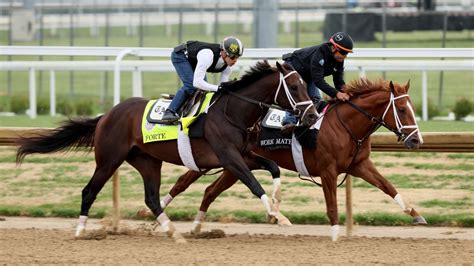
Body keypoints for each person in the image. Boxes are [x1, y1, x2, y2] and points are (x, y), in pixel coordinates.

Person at [159, 36, 244, 124]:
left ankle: (186, 100)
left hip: (194, 60)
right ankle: (169, 112)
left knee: (204, 91)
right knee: (191, 85)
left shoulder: (228, 66)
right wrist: (218, 88)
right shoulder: (208, 55)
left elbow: (222, 86)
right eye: (233, 57)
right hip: (180, 56)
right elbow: (197, 83)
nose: (235, 61)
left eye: (238, 57)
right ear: (224, 52)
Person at [281, 32, 353, 129]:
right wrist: (336, 94)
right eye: (344, 53)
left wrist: (346, 92)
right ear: (334, 48)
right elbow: (318, 81)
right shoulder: (320, 54)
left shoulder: (339, 60)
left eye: (347, 53)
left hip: (308, 73)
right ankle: (288, 123)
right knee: (298, 96)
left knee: (316, 101)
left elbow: (338, 81)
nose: (345, 56)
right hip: (293, 67)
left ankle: (310, 126)